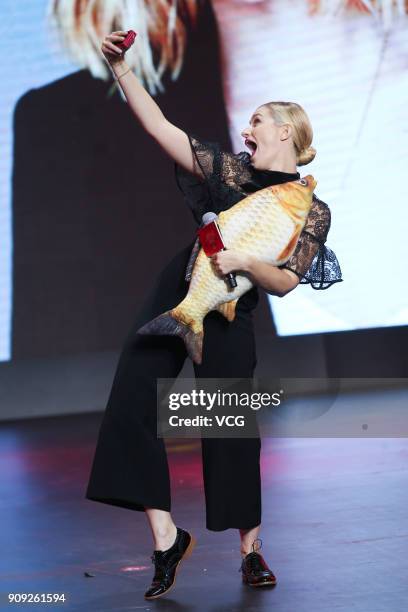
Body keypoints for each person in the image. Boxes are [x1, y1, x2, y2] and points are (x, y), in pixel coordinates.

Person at [85, 30, 343, 601]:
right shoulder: (229, 173)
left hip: (231, 305)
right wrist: (122, 69)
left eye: (256, 122)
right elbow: (161, 129)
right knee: (131, 398)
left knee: (228, 423)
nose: (245, 131)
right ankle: (165, 539)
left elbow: (285, 282)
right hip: (181, 287)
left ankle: (250, 551)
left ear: (285, 132)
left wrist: (246, 258)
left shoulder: (311, 209)